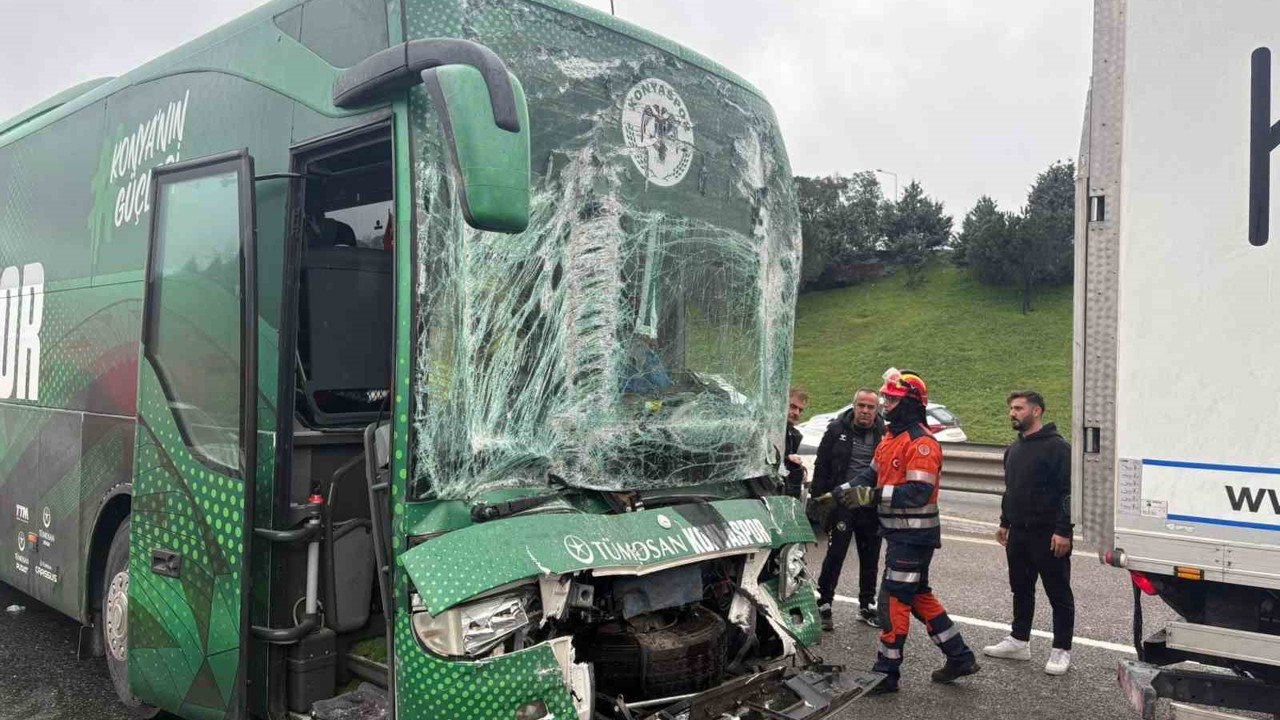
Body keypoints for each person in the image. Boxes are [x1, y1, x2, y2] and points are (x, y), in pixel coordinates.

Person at [833, 368, 979, 694]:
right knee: (917, 595)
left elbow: (917, 493)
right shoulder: (890, 438)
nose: (885, 404)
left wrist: (870, 497)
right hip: (899, 535)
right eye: (886, 397)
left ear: (911, 404)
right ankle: (960, 656)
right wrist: (837, 493)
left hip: (914, 536)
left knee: (893, 600)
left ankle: (887, 673)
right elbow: (870, 476)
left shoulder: (922, 444)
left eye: (892, 399)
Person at [983, 390, 1075, 676]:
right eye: (1011, 408)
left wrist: (1063, 530)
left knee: (1058, 593)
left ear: (1037, 411)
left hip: (1048, 534)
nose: (1012, 413)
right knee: (1020, 589)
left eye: (1018, 408)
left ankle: (1061, 649)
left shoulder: (1058, 448)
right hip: (1018, 534)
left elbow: (1069, 492)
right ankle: (1019, 641)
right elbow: (1012, 489)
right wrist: (1004, 522)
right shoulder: (1014, 448)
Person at [811, 388, 884, 631]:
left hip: (869, 504)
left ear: (877, 410)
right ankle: (824, 603)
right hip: (842, 503)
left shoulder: (885, 434)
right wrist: (818, 498)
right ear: (854, 406)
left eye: (870, 407)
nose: (865, 411)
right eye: (861, 405)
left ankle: (866, 605)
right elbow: (821, 463)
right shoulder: (836, 430)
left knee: (870, 555)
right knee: (836, 553)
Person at [783, 388, 809, 499]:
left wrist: (801, 470)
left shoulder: (795, 436)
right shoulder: (765, 429)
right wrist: (787, 459)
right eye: (793, 407)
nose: (796, 413)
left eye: (800, 410)